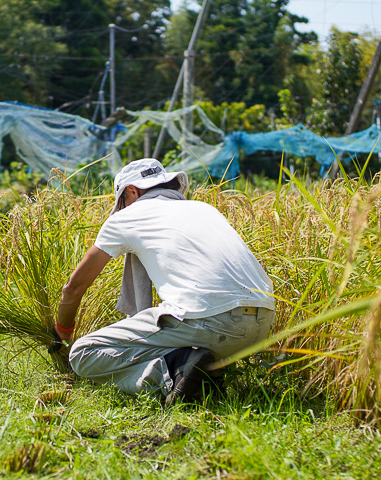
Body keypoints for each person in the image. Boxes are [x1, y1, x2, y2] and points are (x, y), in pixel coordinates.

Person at [55, 158, 275, 404]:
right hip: (262, 323)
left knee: (84, 354)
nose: (122, 209)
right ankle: (196, 371)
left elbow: (74, 288)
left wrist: (63, 332)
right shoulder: (204, 209)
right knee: (178, 320)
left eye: (122, 202)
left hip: (210, 322)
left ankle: (172, 373)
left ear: (131, 191)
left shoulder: (126, 218)